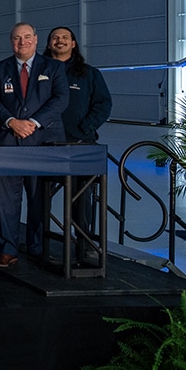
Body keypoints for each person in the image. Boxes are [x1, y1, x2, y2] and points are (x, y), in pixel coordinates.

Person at [0, 23, 68, 268]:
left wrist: (33, 122)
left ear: (35, 39)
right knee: (5, 201)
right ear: (11, 41)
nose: (22, 42)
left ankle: (37, 246)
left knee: (39, 198)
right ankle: (7, 249)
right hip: (6, 141)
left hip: (41, 142)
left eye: (27, 37)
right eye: (17, 38)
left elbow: (61, 98)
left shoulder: (53, 67)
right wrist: (12, 122)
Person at [44, 26, 112, 261]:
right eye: (55, 38)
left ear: (73, 43)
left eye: (64, 38)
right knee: (39, 198)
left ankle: (84, 245)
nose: (59, 41)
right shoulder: (39, 71)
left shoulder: (89, 74)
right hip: (44, 145)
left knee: (82, 199)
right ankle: (38, 243)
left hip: (79, 145)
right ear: (49, 44)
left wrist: (84, 128)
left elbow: (103, 104)